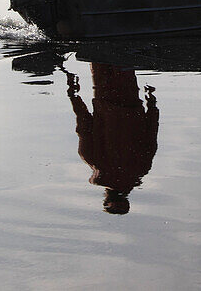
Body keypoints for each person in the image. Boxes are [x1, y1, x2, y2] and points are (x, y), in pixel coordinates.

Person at [66, 64, 159, 214]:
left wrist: (152, 106)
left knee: (122, 61)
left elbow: (152, 133)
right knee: (99, 58)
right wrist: (73, 95)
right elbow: (83, 124)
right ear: (106, 197)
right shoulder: (95, 162)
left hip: (130, 100)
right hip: (105, 96)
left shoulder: (142, 168)